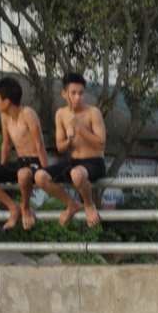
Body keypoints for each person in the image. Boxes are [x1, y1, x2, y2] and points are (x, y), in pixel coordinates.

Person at [0, 76, 47, 230]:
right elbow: (6, 145)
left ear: (6, 102)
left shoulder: (28, 113)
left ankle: (26, 208)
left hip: (34, 163)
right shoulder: (4, 116)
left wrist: (47, 171)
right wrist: (2, 169)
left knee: (23, 174)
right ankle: (13, 207)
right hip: (19, 163)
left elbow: (40, 144)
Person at [34, 72, 107, 227]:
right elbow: (60, 147)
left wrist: (80, 128)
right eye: (73, 93)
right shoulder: (61, 114)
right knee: (40, 176)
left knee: (76, 174)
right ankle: (72, 204)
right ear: (64, 93)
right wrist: (69, 140)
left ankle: (89, 204)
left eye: (81, 93)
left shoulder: (93, 112)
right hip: (74, 162)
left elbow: (101, 144)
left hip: (94, 163)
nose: (77, 97)